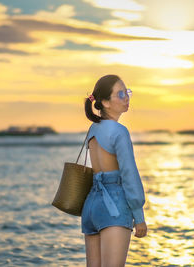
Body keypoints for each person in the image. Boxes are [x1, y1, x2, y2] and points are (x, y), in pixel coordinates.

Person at [82, 74, 147, 266]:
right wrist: (139, 216)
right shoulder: (119, 131)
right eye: (120, 94)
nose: (126, 97)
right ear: (105, 102)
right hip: (115, 206)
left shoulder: (93, 129)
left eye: (127, 92)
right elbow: (128, 174)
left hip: (91, 207)